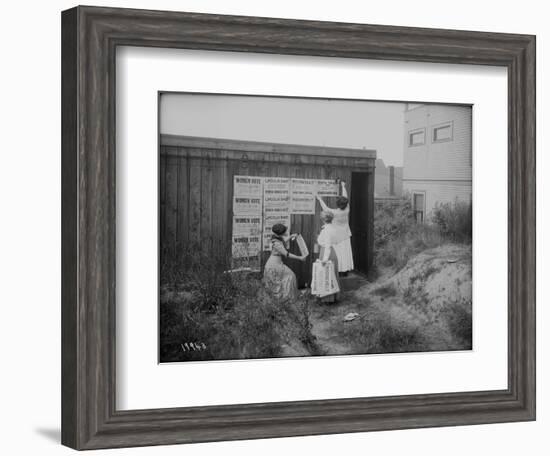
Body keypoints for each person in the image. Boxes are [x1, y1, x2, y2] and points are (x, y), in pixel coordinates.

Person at [316, 180, 354, 276]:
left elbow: (325, 208)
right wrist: (343, 186)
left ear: (338, 204)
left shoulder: (335, 213)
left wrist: (319, 199)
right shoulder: (347, 209)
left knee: (339, 254)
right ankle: (345, 271)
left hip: (337, 237)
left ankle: (338, 270)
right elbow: (345, 197)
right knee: (345, 253)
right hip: (345, 235)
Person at [263, 223, 307, 303]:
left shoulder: (275, 238)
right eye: (284, 232)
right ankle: (287, 297)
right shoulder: (277, 243)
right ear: (281, 233)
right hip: (274, 264)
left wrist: (290, 236)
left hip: (275, 262)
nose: (285, 233)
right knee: (291, 275)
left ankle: (284, 297)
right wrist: (300, 258)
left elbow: (282, 243)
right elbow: (286, 254)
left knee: (284, 278)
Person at [316, 211, 340, 303]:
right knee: (330, 274)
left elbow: (328, 245)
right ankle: (332, 297)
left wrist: (325, 259)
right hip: (331, 252)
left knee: (326, 274)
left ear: (323, 219)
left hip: (327, 252)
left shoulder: (326, 230)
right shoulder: (332, 228)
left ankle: (327, 299)